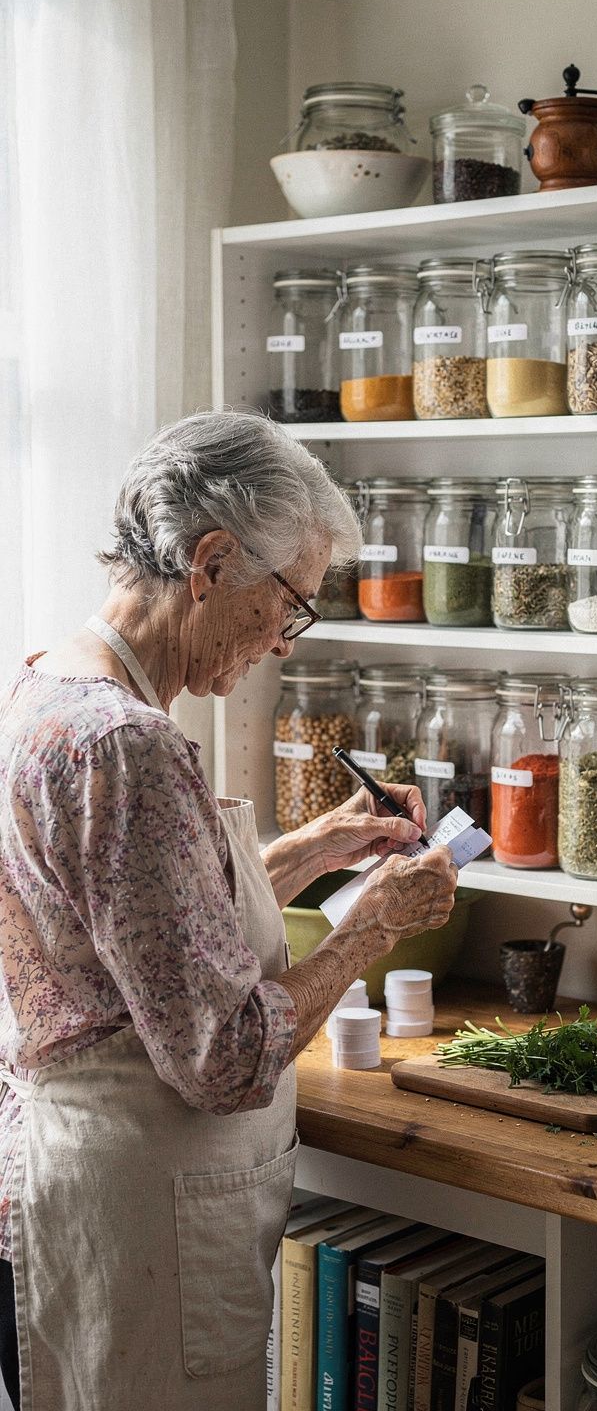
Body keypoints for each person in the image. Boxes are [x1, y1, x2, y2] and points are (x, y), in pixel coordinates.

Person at [0, 411, 457, 1410]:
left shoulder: (48, 689)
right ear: (209, 563)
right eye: (287, 607)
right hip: (140, 1220)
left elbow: (149, 925)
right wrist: (371, 925)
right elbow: (222, 1054)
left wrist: (317, 849)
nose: (284, 647)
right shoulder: (132, 747)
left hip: (76, 1187)